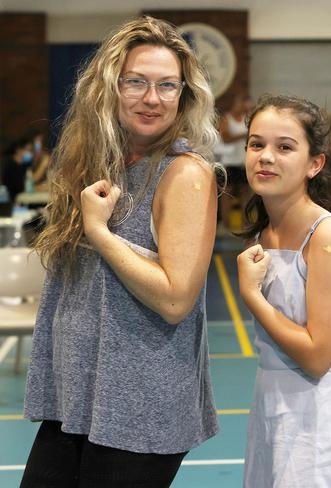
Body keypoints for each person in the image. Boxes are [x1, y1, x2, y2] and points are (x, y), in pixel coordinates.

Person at [21, 16, 222, 488]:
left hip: (139, 409)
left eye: (167, 86)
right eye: (136, 82)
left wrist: (99, 230)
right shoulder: (94, 162)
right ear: (108, 88)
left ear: (183, 96)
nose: (152, 98)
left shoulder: (185, 174)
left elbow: (176, 300)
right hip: (80, 397)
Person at [237, 94, 331, 487]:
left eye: (284, 147)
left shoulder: (327, 236)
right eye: (256, 144)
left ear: (314, 163)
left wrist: (253, 297)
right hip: (272, 406)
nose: (266, 156)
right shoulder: (264, 234)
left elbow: (318, 356)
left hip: (320, 418)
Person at [214, 93, 252, 230]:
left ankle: (245, 224)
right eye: (240, 103)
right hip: (229, 162)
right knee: (227, 194)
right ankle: (226, 225)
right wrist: (243, 135)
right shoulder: (226, 119)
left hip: (242, 162)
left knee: (245, 193)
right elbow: (226, 138)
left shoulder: (247, 119)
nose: (242, 106)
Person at [1, 136, 34, 201]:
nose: (29, 153)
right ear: (18, 150)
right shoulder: (9, 164)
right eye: (27, 150)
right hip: (11, 200)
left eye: (30, 150)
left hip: (22, 197)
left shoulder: (25, 164)